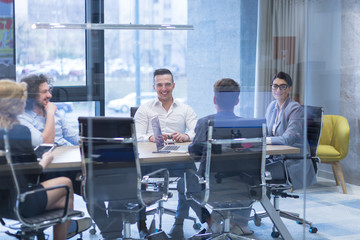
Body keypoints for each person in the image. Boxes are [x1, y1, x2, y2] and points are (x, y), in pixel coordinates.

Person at [17, 74, 92, 238]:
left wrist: (94, 142)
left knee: (95, 183)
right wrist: (50, 114)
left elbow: (75, 137)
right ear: (30, 96)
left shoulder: (55, 113)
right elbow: (46, 143)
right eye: (44, 92)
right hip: (47, 170)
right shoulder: (23, 118)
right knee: (78, 183)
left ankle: (110, 229)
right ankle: (68, 225)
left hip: (67, 164)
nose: (49, 96)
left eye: (49, 91)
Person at [0, 79, 74, 240]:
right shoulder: (19, 131)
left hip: (2, 204)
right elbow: (32, 173)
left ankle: (47, 228)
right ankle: (62, 231)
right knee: (66, 183)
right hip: (21, 201)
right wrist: (44, 161)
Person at [183, 78, 254, 237]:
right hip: (241, 186)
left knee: (185, 181)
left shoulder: (204, 123)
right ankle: (239, 223)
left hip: (210, 186)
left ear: (214, 99)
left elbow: (194, 153)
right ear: (237, 101)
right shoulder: (248, 125)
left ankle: (210, 221)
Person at [134, 68, 198, 238]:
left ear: (173, 85)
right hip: (150, 162)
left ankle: (179, 223)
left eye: (167, 84)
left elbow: (196, 131)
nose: (164, 88)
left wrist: (185, 136)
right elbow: (135, 135)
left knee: (191, 175)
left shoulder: (185, 109)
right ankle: (142, 225)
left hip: (177, 160)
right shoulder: (144, 109)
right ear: (154, 87)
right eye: (160, 85)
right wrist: (150, 138)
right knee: (136, 176)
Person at [265, 71, 316, 190]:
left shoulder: (295, 108)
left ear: (289, 89)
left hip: (291, 160)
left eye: (282, 86)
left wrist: (265, 140)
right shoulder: (272, 106)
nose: (278, 90)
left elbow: (288, 139)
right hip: (276, 156)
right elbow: (266, 131)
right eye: (275, 86)